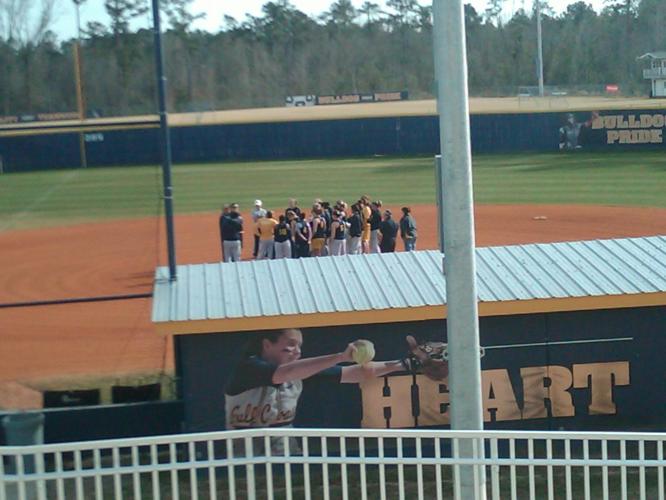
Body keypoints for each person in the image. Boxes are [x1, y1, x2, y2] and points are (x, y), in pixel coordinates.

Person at [224, 328, 407, 454]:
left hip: (286, 457)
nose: (297, 351)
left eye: (300, 346)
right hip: (243, 462)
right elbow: (284, 373)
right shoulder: (249, 367)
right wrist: (340, 357)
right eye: (291, 344)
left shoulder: (298, 370)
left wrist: (404, 364)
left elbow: (355, 373)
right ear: (267, 345)